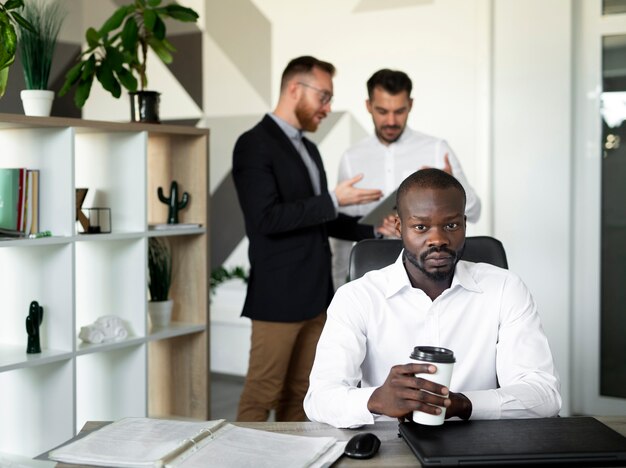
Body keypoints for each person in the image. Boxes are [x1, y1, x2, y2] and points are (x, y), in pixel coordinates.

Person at [304, 168, 561, 428]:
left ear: (464, 224)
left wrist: (462, 404)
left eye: (451, 225)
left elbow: (544, 395)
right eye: (420, 226)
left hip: (480, 442)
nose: (438, 239)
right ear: (398, 226)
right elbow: (319, 399)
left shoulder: (505, 288)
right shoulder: (357, 297)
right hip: (389, 444)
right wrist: (375, 400)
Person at [232, 56, 392, 422]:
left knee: (302, 394)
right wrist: (333, 199)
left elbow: (321, 218)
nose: (328, 108)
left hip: (316, 295)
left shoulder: (309, 149)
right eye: (323, 96)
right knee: (262, 392)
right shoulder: (254, 144)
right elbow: (266, 219)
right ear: (294, 89)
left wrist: (376, 229)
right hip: (277, 296)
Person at [331, 69, 481, 287]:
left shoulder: (436, 149)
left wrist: (456, 188)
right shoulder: (351, 158)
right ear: (368, 106)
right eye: (382, 111)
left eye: (399, 111)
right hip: (372, 275)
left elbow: (475, 212)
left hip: (432, 276)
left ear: (410, 105)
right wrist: (339, 285)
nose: (391, 121)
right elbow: (342, 234)